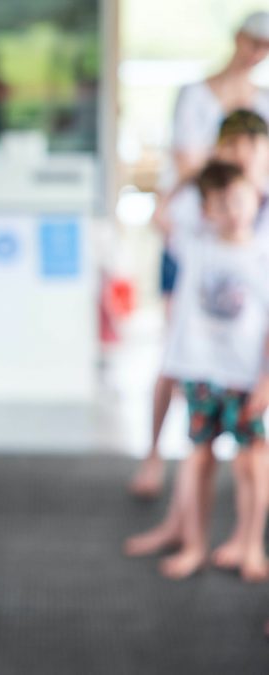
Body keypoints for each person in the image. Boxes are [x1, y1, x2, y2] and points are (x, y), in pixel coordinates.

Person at [132, 11, 269, 498]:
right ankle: (152, 456)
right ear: (238, 40)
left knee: (240, 352)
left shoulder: (261, 104)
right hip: (191, 241)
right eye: (254, 43)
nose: (258, 54)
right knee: (175, 351)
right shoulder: (196, 94)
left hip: (241, 248)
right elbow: (188, 165)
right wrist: (234, 153)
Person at [127, 161, 269, 581]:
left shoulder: (263, 254)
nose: (232, 210)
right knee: (197, 459)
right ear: (205, 209)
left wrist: (266, 380)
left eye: (239, 200)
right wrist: (188, 176)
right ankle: (194, 545)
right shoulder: (195, 243)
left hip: (246, 378)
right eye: (221, 203)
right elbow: (160, 217)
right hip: (202, 374)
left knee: (252, 464)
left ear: (256, 199)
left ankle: (252, 546)